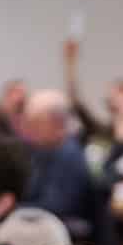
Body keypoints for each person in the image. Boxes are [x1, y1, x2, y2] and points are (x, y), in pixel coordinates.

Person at [22, 89, 93, 228]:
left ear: (57, 123)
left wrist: (14, 209)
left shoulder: (69, 155)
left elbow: (58, 205)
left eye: (36, 123)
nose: (29, 129)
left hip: (59, 229)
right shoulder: (42, 150)